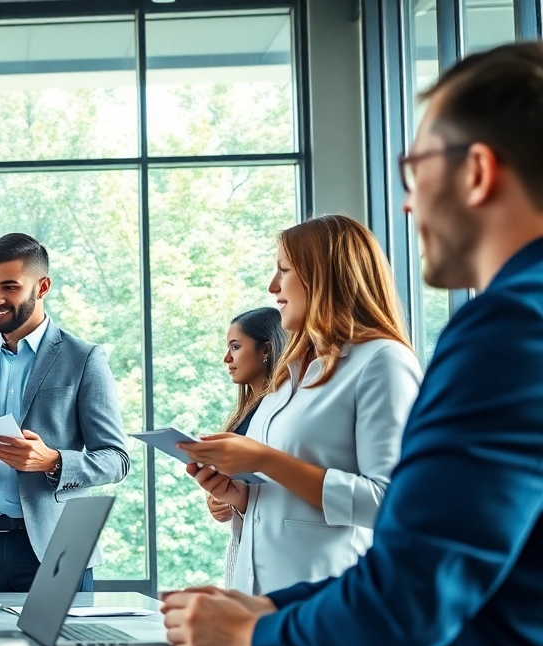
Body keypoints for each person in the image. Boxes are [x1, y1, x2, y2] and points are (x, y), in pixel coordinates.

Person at [162, 42, 543, 646]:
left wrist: (257, 631)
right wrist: (266, 605)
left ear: (479, 172)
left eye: (413, 170)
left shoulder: (508, 327)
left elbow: (413, 587)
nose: (404, 200)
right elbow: (446, 551)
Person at [176, 215, 422, 596]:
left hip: (330, 599)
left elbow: (393, 502)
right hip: (257, 601)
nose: (273, 287)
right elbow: (284, 499)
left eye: (284, 271)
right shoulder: (289, 372)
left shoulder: (382, 361)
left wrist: (264, 460)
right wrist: (238, 497)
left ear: (323, 277)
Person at [0, 233, 129, 592]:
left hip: (58, 548)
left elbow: (116, 459)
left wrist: (53, 461)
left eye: (9, 287)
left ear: (43, 286)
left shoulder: (84, 359)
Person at [209, 307, 286, 584]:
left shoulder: (283, 413)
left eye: (236, 347)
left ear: (265, 350)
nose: (227, 358)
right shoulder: (241, 415)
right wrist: (221, 501)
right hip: (241, 548)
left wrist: (240, 500)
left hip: (274, 553)